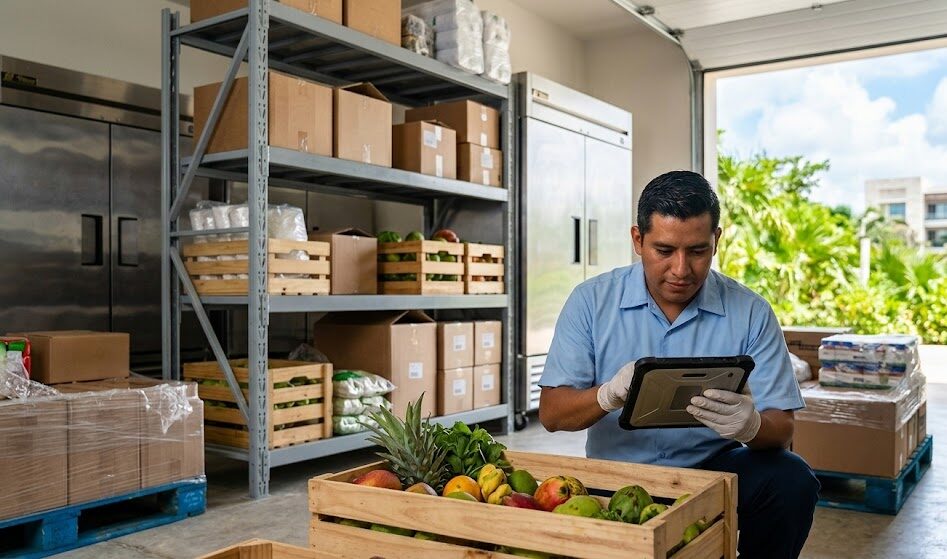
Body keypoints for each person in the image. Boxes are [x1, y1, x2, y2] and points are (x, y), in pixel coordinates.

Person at [538, 170, 819, 559]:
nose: (682, 270)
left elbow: (783, 426)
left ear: (716, 241)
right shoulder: (590, 302)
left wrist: (752, 426)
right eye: (664, 251)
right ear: (638, 240)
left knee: (792, 479)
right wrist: (606, 395)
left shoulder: (751, 312)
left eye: (698, 251)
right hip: (615, 475)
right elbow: (552, 414)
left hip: (711, 470)